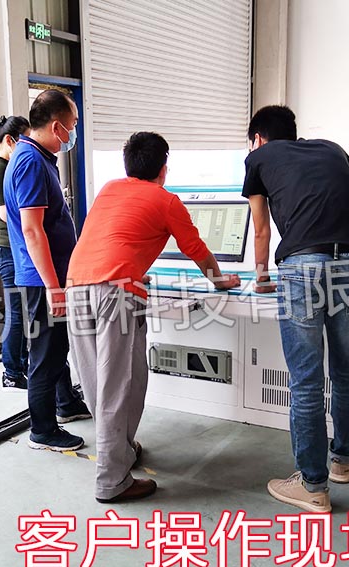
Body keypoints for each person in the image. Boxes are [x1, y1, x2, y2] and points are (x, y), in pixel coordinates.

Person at [66, 132, 241, 503]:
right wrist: (220, 280)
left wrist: (131, 272)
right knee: (119, 383)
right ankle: (111, 481)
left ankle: (120, 452)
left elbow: (111, 240)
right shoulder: (166, 200)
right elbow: (196, 249)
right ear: (163, 168)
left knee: (97, 382)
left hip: (76, 285)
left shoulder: (109, 190)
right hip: (114, 293)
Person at [242, 105, 349, 513]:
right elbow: (342, 201)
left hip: (301, 266)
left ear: (258, 138)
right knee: (348, 370)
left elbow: (261, 229)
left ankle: (313, 486)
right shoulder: (333, 149)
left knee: (306, 380)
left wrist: (262, 277)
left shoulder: (258, 158)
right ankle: (345, 460)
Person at [3, 89, 91, 452]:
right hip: (42, 280)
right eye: (72, 125)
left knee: (56, 349)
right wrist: (53, 286)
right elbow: (31, 230)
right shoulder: (29, 162)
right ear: (57, 127)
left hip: (48, 275)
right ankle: (42, 431)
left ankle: (65, 404)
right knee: (45, 354)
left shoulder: (37, 158)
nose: (73, 133)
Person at [0, 115, 31, 391]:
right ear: (9, 141)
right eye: (24, 140)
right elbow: (4, 213)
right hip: (6, 250)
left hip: (11, 249)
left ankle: (20, 366)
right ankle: (11, 372)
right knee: (16, 313)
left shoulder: (4, 165)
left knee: (21, 311)